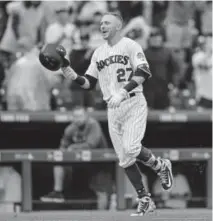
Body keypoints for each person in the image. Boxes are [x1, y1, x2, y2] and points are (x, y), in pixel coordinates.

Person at [40, 12, 173, 216]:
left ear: (119, 26)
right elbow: (89, 83)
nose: (102, 26)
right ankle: (145, 199)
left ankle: (160, 165)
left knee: (131, 147)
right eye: (101, 23)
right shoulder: (98, 52)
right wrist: (71, 73)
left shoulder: (130, 45)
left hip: (132, 101)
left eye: (107, 23)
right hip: (113, 108)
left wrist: (123, 91)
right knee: (125, 159)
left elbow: (144, 72)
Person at [40, 106, 111, 209]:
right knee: (59, 163)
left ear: (86, 116)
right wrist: (63, 151)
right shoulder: (70, 129)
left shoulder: (93, 124)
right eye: (75, 116)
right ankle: (57, 192)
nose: (78, 119)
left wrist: (73, 147)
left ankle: (102, 217)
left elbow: (91, 144)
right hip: (83, 163)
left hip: (99, 163)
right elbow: (63, 147)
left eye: (80, 116)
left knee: (100, 191)